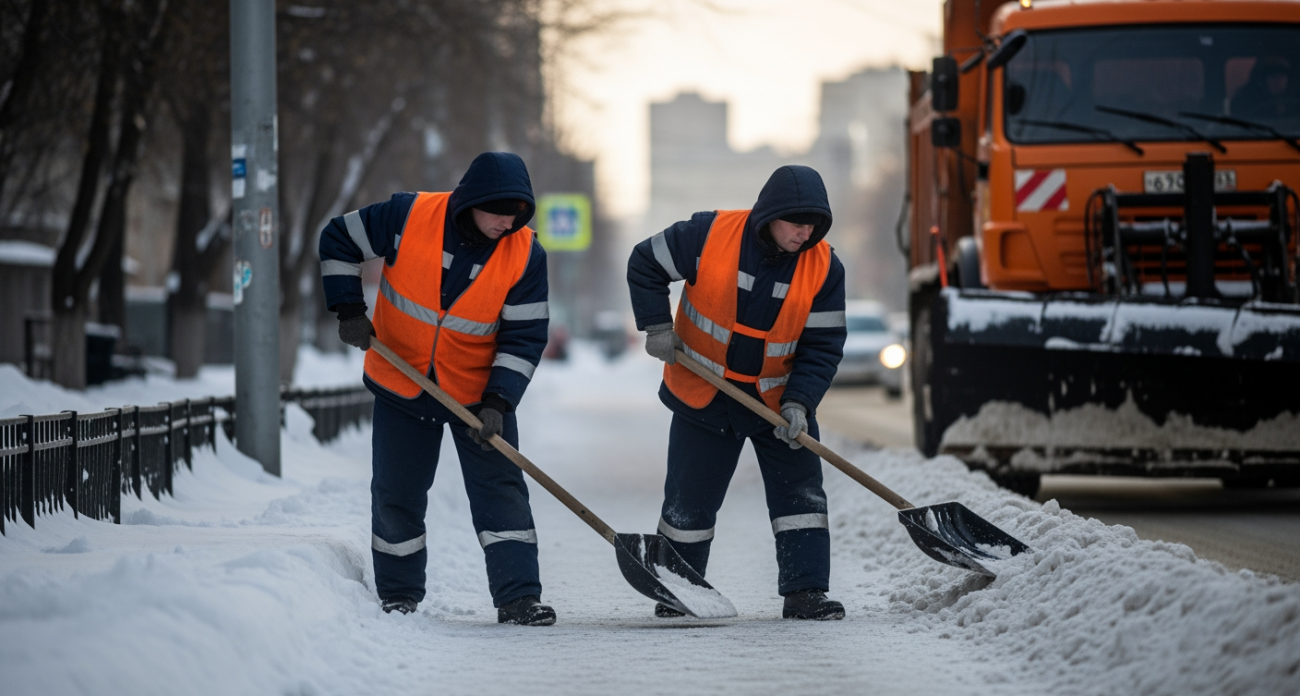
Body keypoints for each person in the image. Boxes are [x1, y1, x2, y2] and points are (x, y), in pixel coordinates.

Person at [319, 152, 554, 626]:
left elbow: (524, 336)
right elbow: (338, 238)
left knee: (502, 491)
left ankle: (519, 598)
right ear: (474, 201)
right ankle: (399, 596)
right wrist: (348, 308)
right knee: (397, 491)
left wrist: (499, 401)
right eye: (498, 211)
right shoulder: (408, 216)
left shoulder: (526, 253)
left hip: (479, 394)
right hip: (401, 379)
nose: (506, 223)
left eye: (516, 214)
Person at [626, 165, 848, 620]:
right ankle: (679, 591)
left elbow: (822, 347)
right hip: (704, 394)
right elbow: (644, 263)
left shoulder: (824, 267)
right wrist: (656, 324)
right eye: (795, 222)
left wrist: (800, 403)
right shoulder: (708, 235)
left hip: (778, 404)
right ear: (770, 215)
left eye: (813, 225)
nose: (804, 233)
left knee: (801, 499)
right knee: (689, 500)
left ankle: (806, 592)